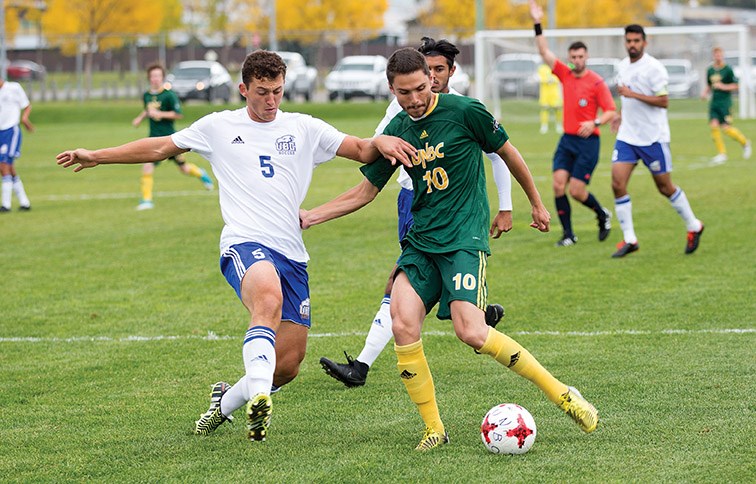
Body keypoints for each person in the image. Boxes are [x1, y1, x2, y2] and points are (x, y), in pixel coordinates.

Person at [57, 50, 416, 443]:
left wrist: (380, 139)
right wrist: (97, 156)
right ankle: (260, 398)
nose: (270, 101)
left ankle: (224, 403)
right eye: (262, 92)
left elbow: (362, 150)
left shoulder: (304, 128)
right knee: (267, 300)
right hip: (244, 242)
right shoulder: (218, 126)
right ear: (244, 89)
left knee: (289, 364)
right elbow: (161, 147)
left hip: (292, 252)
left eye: (277, 91)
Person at [301, 48, 599, 451]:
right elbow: (366, 191)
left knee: (471, 332)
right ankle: (434, 429)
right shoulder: (398, 130)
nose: (416, 99)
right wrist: (311, 217)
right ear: (392, 89)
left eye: (422, 88)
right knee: (402, 320)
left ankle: (563, 393)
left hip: (463, 238)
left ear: (432, 78)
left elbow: (508, 153)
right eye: (405, 93)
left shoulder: (465, 111)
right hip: (422, 242)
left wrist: (536, 203)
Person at [318, 37, 510, 389]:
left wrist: (508, 205)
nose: (430, 81)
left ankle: (362, 364)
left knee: (405, 283)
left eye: (438, 71)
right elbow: (372, 151)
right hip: (412, 199)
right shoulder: (401, 109)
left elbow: (501, 153)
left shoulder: (465, 110)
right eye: (429, 70)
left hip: (454, 211)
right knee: (404, 283)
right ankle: (472, 315)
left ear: (449, 72)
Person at [610, 24, 704, 258]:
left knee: (665, 187)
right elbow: (627, 98)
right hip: (628, 137)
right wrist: (620, 115)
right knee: (617, 183)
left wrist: (633, 95)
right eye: (629, 41)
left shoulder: (654, 68)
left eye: (636, 41)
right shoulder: (622, 66)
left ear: (645, 42)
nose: (632, 45)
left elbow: (664, 101)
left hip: (653, 138)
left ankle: (694, 225)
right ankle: (630, 239)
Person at [529, 0, 616, 247]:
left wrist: (595, 121)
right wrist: (537, 22)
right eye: (573, 56)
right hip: (567, 139)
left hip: (589, 142)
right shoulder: (564, 73)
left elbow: (611, 111)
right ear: (569, 58)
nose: (577, 60)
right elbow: (544, 52)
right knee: (558, 185)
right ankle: (568, 235)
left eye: (580, 56)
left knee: (577, 191)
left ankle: (602, 214)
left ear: (586, 57)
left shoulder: (596, 82)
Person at [131, 62, 214, 211]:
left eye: (158, 76)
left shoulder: (169, 95)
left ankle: (201, 174)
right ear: (149, 78)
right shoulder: (147, 95)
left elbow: (178, 114)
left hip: (170, 140)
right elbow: (148, 110)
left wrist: (160, 114)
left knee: (184, 169)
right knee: (147, 167)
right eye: (152, 76)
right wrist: (139, 118)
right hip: (153, 138)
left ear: (162, 77)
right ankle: (146, 200)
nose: (155, 79)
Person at [701, 47, 751, 164]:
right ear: (713, 56)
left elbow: (736, 85)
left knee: (726, 129)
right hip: (714, 103)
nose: (717, 57)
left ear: (722, 56)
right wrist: (704, 93)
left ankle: (745, 142)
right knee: (714, 126)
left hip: (725, 103)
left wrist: (723, 86)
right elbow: (709, 85)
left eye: (719, 55)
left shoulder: (728, 69)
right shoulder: (710, 70)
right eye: (715, 55)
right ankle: (722, 154)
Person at [0, 76, 34, 212]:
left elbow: (26, 105)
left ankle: (6, 205)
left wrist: (25, 118)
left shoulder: (13, 87)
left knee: (4, 165)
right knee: (8, 168)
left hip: (11, 130)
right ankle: (24, 202)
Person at [537, 62, 563, 134]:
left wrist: (554, 80)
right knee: (544, 109)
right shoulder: (541, 68)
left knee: (558, 109)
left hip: (555, 93)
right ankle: (544, 126)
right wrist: (546, 80)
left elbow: (560, 77)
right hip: (545, 93)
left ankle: (558, 125)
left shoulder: (556, 67)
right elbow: (539, 78)